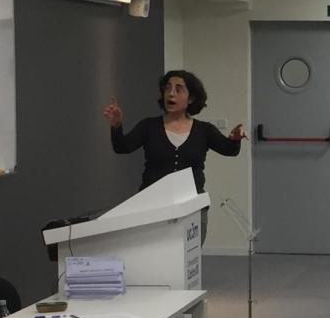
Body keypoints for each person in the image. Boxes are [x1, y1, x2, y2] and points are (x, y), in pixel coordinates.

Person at [103, 70, 246, 244]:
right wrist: (117, 125)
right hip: (152, 204)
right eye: (167, 88)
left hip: (191, 205)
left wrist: (235, 138)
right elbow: (122, 147)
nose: (171, 93)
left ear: (191, 98)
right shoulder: (149, 126)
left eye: (178, 89)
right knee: (152, 256)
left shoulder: (204, 130)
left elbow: (229, 150)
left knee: (187, 261)